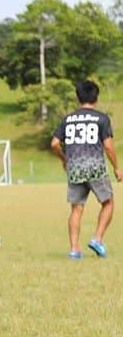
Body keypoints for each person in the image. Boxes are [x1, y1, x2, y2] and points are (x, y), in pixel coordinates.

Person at [50, 80, 122, 259]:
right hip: (95, 167)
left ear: (78, 97)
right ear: (96, 98)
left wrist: (64, 160)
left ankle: (74, 249)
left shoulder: (68, 119)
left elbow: (54, 143)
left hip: (75, 168)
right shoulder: (101, 118)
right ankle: (97, 239)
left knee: (76, 209)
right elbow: (108, 146)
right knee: (108, 203)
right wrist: (117, 167)